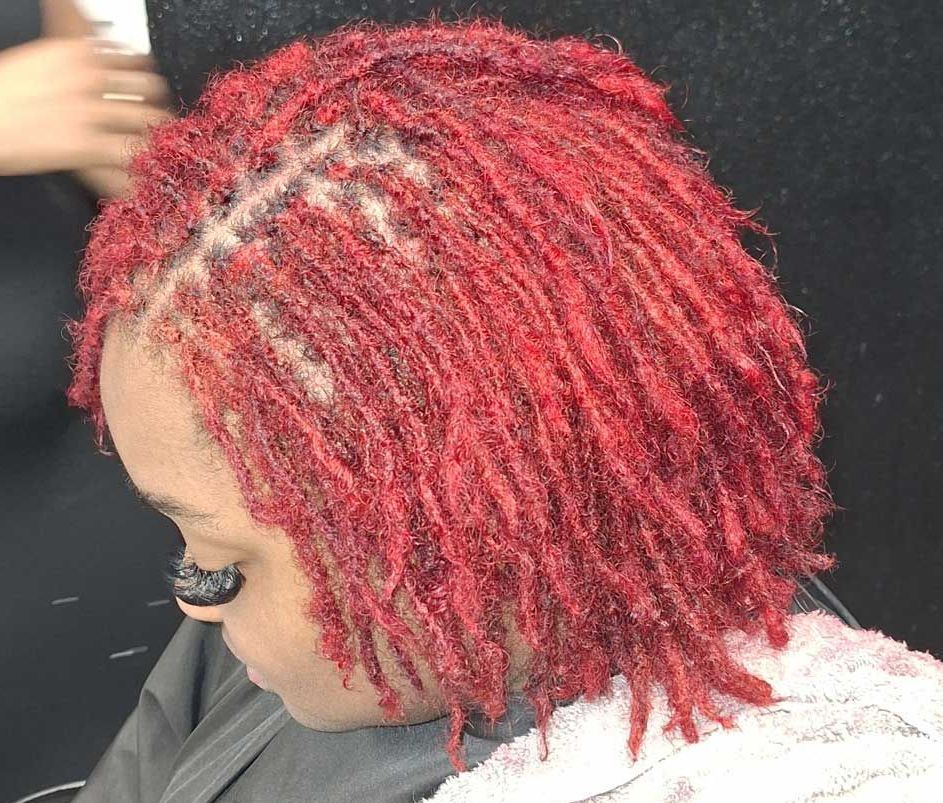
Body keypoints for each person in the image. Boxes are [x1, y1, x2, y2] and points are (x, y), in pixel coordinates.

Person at [64, 14, 943, 803]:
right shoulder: (284, 647)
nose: (194, 598)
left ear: (457, 529)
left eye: (223, 560)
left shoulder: (810, 769)